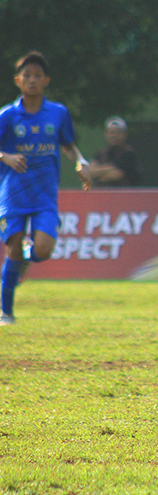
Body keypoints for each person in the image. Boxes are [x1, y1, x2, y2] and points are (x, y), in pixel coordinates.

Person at [0, 51, 91, 325]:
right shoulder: (6, 115)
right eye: (26, 75)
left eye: (37, 76)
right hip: (13, 193)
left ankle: (29, 257)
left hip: (44, 195)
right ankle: (5, 311)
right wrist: (6, 156)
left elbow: (68, 145)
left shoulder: (58, 113)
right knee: (13, 249)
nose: (32, 80)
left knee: (44, 249)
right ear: (17, 80)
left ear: (46, 80)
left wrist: (81, 161)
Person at [89, 116, 143, 187]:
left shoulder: (129, 154)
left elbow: (116, 175)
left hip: (123, 195)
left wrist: (101, 174)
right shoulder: (101, 153)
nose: (114, 136)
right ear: (106, 134)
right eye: (111, 132)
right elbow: (91, 172)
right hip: (103, 195)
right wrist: (110, 168)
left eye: (118, 133)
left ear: (124, 135)